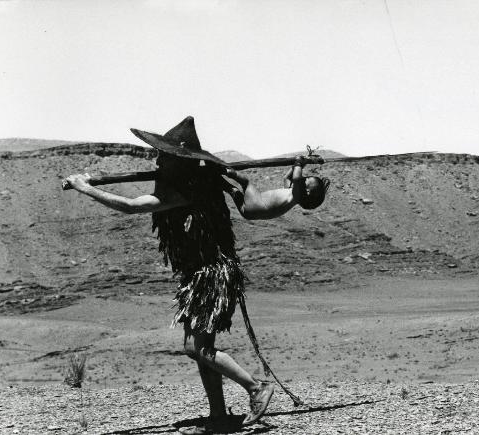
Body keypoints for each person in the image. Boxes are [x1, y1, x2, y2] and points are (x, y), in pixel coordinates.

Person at [65, 117, 275, 434]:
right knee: (200, 349)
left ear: (179, 161)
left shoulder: (184, 191)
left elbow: (131, 206)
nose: (158, 159)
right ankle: (218, 417)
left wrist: (86, 188)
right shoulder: (188, 184)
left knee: (197, 348)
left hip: (212, 274)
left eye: (164, 155)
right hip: (200, 275)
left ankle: (256, 387)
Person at [222, 155, 331, 220]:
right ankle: (220, 182)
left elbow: (297, 178)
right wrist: (299, 164)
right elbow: (287, 178)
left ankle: (224, 170)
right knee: (234, 191)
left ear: (307, 191)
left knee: (246, 182)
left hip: (258, 203)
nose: (304, 178)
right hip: (249, 212)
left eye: (307, 180)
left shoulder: (296, 196)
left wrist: (299, 163)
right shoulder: (291, 193)